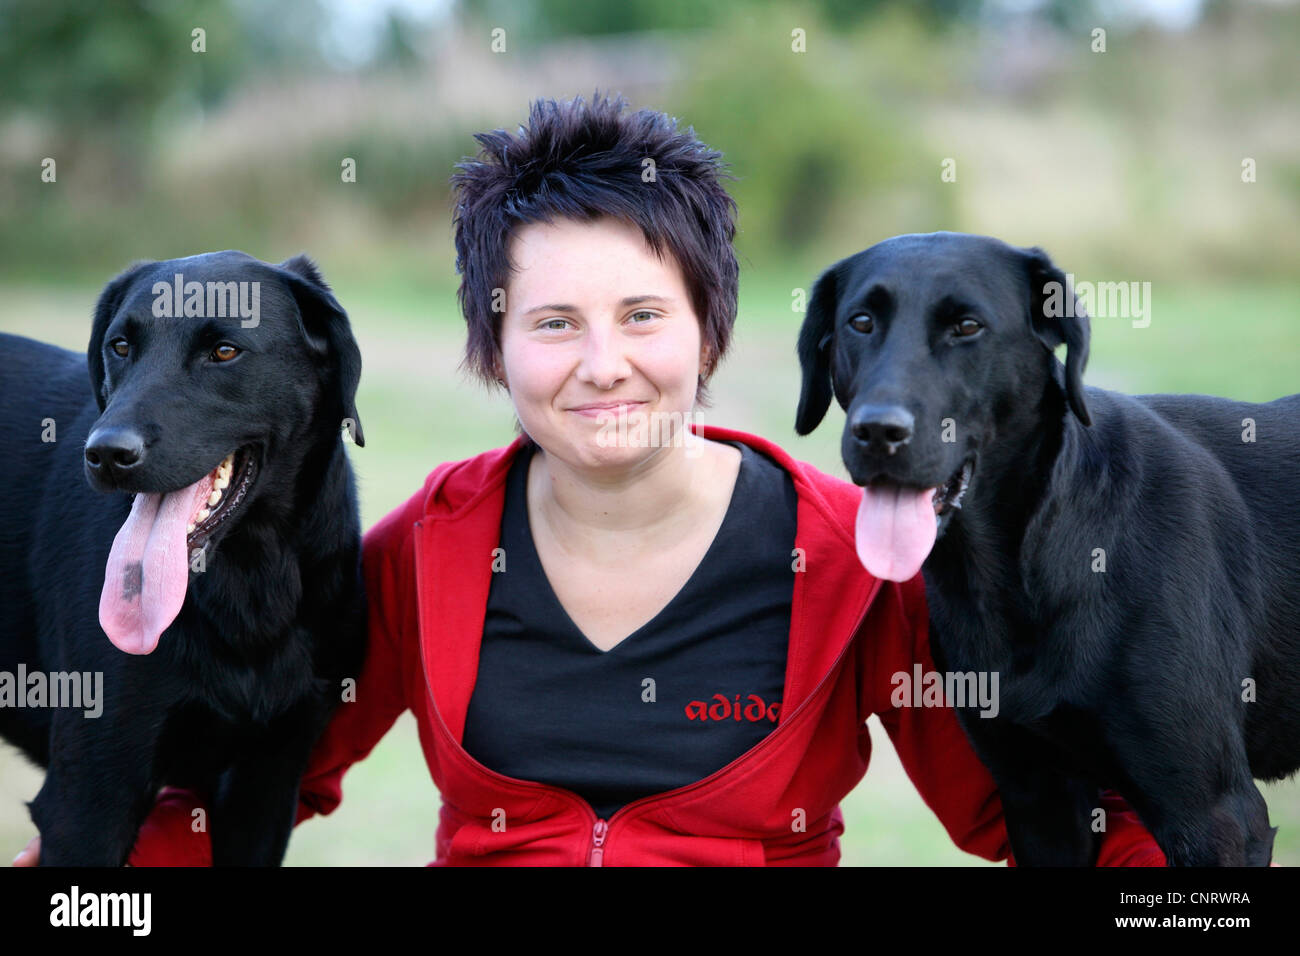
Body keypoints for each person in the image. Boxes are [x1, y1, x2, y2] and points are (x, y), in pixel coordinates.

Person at [14, 91, 1165, 866]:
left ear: (709, 329)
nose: (602, 364)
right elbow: (231, 783)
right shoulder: (427, 549)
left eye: (642, 314)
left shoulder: (857, 562)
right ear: (492, 346)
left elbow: (1038, 808)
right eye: (552, 320)